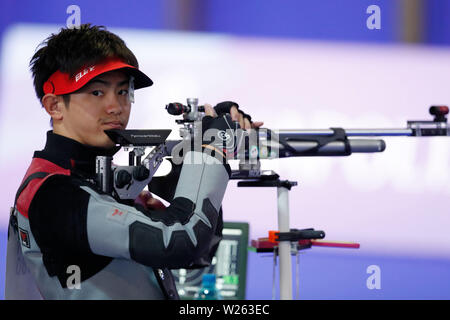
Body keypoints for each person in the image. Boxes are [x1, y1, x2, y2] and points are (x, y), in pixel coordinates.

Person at [5, 24, 262, 299]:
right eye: (97, 93)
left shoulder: (100, 178)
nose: (116, 106)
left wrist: (187, 182)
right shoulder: (54, 194)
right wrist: (211, 151)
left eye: (123, 92)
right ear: (54, 106)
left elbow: (194, 257)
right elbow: (179, 242)